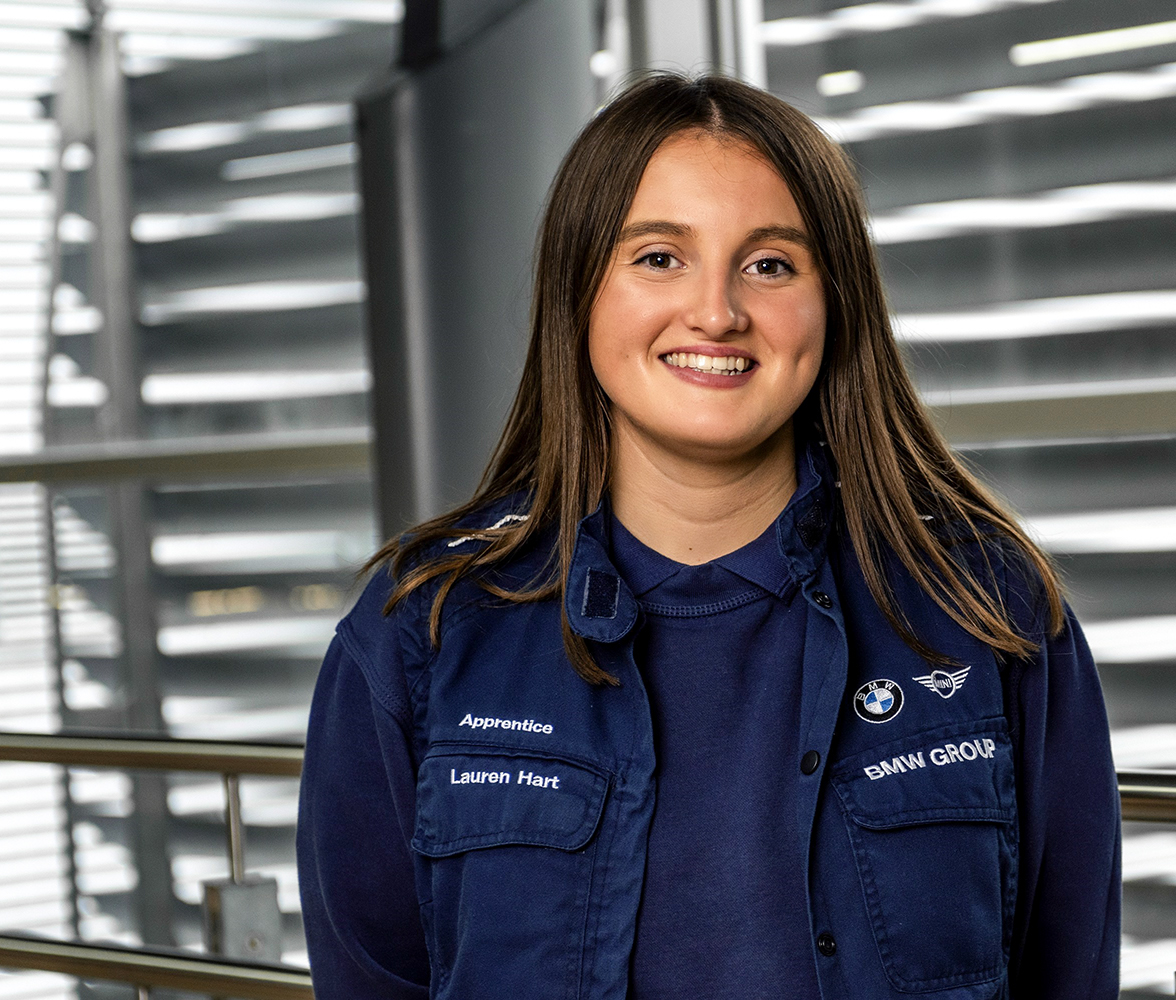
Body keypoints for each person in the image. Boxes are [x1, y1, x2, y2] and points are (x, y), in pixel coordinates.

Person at [296, 72, 1120, 1000]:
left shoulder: (984, 608)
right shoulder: (424, 630)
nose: (718, 312)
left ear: (832, 301)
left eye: (770, 264)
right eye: (658, 258)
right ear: (580, 291)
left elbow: (1071, 972)